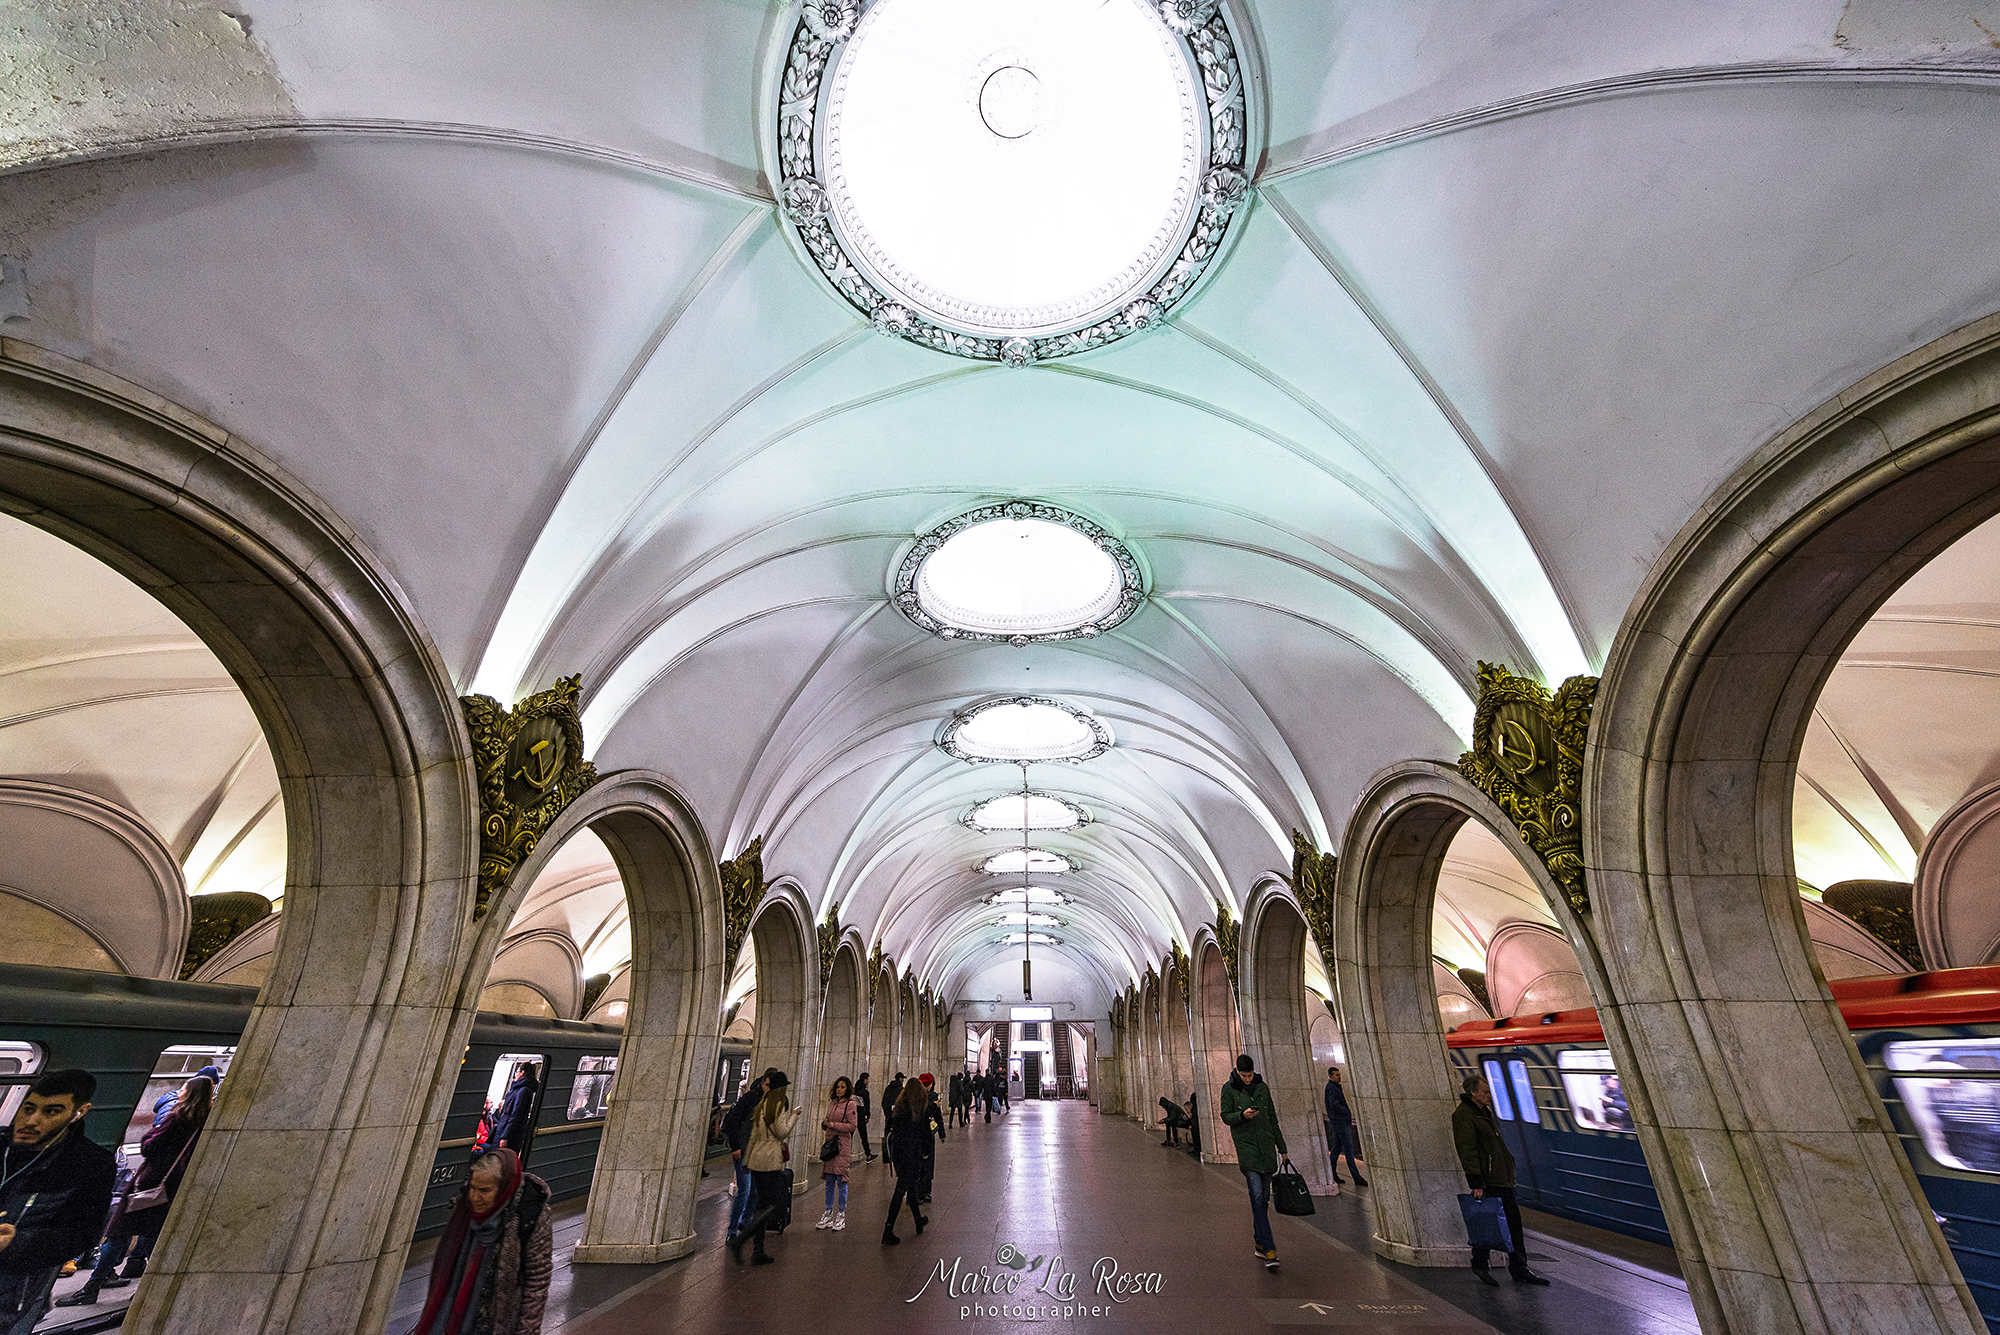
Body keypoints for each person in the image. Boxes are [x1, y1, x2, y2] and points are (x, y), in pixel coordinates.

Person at [61, 1076, 212, 1307]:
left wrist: (149, 1138)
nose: (179, 1090)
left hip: (151, 1180)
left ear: (190, 1092)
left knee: (118, 1231)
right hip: (172, 1182)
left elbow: (150, 1145)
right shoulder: (204, 1119)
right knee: (152, 1236)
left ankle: (92, 1287)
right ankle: (149, 1287)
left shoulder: (177, 1115)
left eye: (183, 1087)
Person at [0, 1070, 115, 1332]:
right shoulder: (2, 1148)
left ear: (79, 1111)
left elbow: (83, 1235)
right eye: (28, 1108)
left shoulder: (89, 1165)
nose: (31, 1120)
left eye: (51, 1112)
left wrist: (16, 1242)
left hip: (14, 1293)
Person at [406, 1147, 552, 1335]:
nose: (475, 1197)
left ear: (504, 1189)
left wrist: (527, 1331)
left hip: (496, 1321)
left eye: (484, 1191)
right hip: (454, 1313)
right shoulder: (464, 1211)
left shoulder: (529, 1216)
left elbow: (537, 1282)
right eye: (472, 1188)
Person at [1453, 1075, 1549, 1287]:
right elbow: (1467, 1150)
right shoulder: (1464, 1115)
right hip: (1488, 1180)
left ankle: (1519, 1266)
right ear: (1473, 1093)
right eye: (1485, 1092)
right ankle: (1479, 1263)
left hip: (1501, 1177)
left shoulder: (1482, 1113)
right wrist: (1476, 1182)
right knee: (1486, 1223)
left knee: (1513, 1224)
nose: (1489, 1096)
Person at [1219, 1053, 1287, 1272]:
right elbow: (1225, 1116)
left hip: (1266, 1149)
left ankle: (1259, 1240)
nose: (1248, 1079)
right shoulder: (1228, 1089)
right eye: (1244, 1075)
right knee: (1257, 1197)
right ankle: (1269, 1249)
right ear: (1237, 1071)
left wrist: (1283, 1149)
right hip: (1247, 1149)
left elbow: (1272, 1118)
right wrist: (1242, 1116)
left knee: (1263, 1201)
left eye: (1250, 1075)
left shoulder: (1262, 1088)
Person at [729, 1072, 799, 1266]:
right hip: (770, 1161)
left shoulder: (761, 1106)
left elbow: (753, 1136)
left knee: (761, 1204)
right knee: (773, 1204)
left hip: (757, 1160)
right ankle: (741, 1241)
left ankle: (758, 1251)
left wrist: (748, 1160)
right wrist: (794, 1115)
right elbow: (782, 1132)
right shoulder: (777, 1106)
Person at [720, 1070, 773, 1244]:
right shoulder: (750, 1098)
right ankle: (732, 1231)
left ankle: (746, 1221)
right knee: (745, 1189)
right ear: (764, 1083)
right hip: (742, 1151)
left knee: (755, 1191)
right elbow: (733, 1121)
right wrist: (735, 1147)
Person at [880, 1078, 930, 1246]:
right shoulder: (917, 1112)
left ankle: (918, 1220)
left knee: (911, 1188)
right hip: (911, 1156)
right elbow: (924, 1135)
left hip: (899, 1155)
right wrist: (926, 1153)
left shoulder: (900, 1109)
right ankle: (888, 1229)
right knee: (900, 1192)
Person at [816, 1077, 857, 1231]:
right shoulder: (833, 1103)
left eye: (842, 1087)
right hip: (830, 1146)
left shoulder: (850, 1104)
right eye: (838, 1087)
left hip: (841, 1146)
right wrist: (825, 1123)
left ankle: (841, 1213)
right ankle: (827, 1212)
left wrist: (834, 1125)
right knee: (829, 1181)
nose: (840, 1089)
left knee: (841, 1180)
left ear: (847, 1089)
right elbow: (827, 1119)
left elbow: (852, 1126)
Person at [1324, 1066, 1367, 1186]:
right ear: (1331, 1076)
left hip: (1337, 1122)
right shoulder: (1332, 1088)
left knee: (1336, 1148)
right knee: (1348, 1149)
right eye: (1336, 1075)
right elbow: (1334, 1104)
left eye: (1339, 1074)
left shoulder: (1333, 1087)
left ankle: (1332, 1173)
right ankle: (1356, 1176)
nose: (1339, 1077)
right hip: (1340, 1122)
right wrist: (1346, 1112)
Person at [493, 1064, 539, 1157]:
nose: (515, 1074)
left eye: (517, 1071)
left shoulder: (523, 1090)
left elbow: (516, 1115)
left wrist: (505, 1136)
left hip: (508, 1134)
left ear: (522, 1073)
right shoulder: (519, 1088)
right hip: (504, 1130)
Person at [917, 1074, 944, 1204]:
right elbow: (926, 1114)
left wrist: (942, 1133)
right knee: (923, 1163)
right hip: (923, 1134)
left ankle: (925, 1192)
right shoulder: (925, 1098)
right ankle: (922, 1192)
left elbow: (937, 1116)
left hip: (923, 1135)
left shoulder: (931, 1097)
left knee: (924, 1163)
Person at [854, 1072, 876, 1162]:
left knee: (849, 1135)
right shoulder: (865, 1092)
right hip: (861, 1116)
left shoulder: (854, 1090)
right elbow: (867, 1105)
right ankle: (868, 1155)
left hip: (852, 1114)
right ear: (865, 1079)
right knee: (863, 1136)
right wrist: (868, 1115)